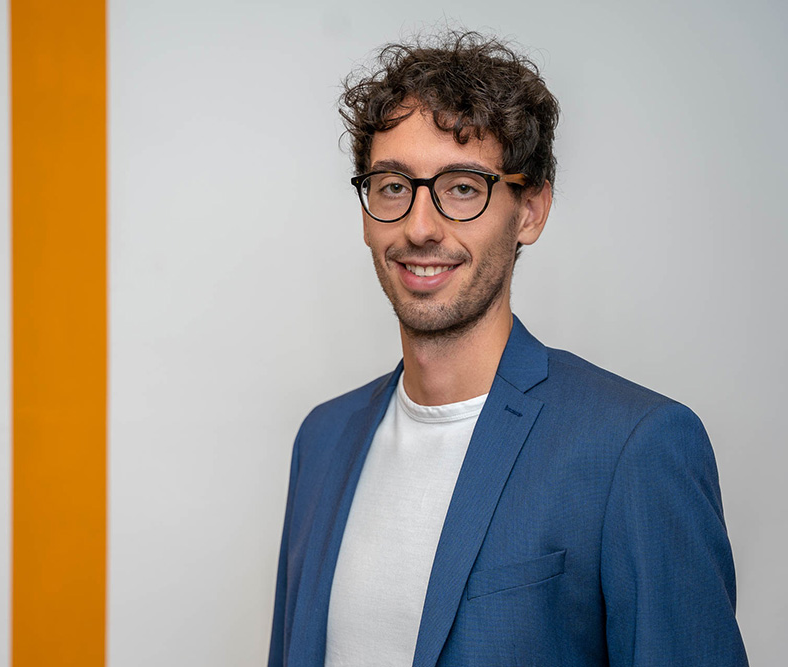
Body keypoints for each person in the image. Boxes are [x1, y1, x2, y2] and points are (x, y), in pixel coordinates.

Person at [267, 31, 748, 667]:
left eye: (463, 187)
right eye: (392, 186)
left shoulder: (634, 447)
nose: (419, 226)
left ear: (530, 211)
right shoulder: (322, 440)